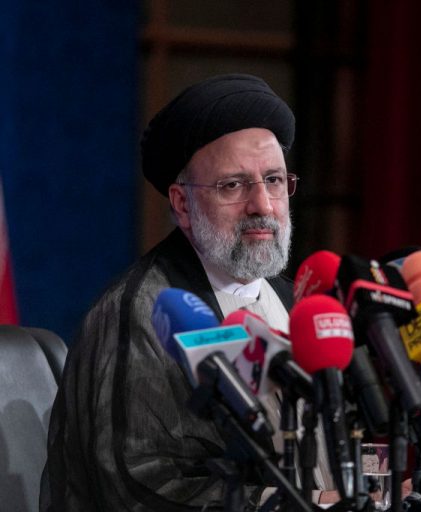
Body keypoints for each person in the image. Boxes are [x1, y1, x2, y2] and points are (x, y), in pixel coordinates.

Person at [40, 74, 333, 510]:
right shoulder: (142, 314)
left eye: (273, 180)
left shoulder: (297, 304)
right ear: (182, 205)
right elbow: (140, 489)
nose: (263, 206)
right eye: (233, 185)